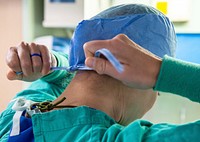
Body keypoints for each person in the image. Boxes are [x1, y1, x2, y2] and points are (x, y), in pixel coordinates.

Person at [1, 4, 199, 142]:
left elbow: (57, 80)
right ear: (139, 79)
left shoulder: (16, 114)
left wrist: (54, 64)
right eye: (157, 89)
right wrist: (160, 72)